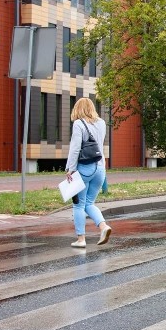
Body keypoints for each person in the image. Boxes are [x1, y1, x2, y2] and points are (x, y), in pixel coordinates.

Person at [65, 97, 112, 248]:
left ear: (77, 109)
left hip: (85, 168)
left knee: (79, 205)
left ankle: (81, 239)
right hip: (100, 167)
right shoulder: (101, 123)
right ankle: (103, 227)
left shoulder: (79, 124)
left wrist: (70, 169)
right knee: (90, 203)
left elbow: (75, 148)